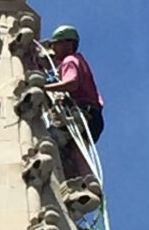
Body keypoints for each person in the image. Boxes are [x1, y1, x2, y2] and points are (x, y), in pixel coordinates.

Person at [44, 25, 104, 177]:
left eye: (56, 44)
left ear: (68, 44)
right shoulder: (79, 60)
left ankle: (83, 182)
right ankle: (87, 182)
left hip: (83, 113)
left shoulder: (70, 60)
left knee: (47, 140)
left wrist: (44, 88)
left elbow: (72, 83)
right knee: (75, 148)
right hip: (92, 116)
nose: (54, 49)